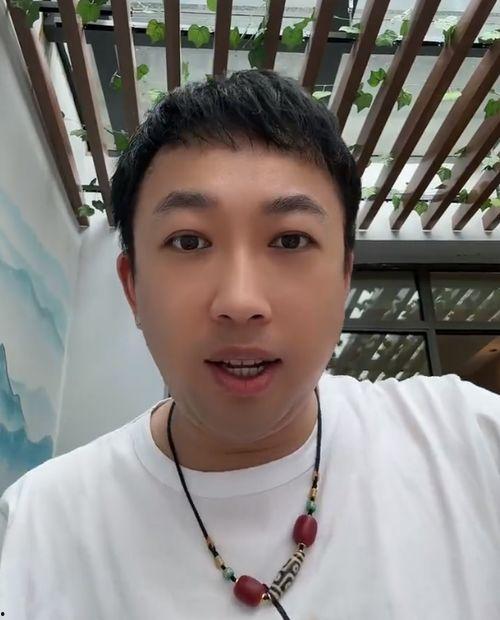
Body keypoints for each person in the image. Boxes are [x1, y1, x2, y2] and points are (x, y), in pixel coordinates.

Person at [1, 69, 499, 620]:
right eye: (188, 241)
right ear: (133, 287)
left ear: (344, 278)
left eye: (290, 239)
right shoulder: (37, 527)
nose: (240, 302)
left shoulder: (468, 442)